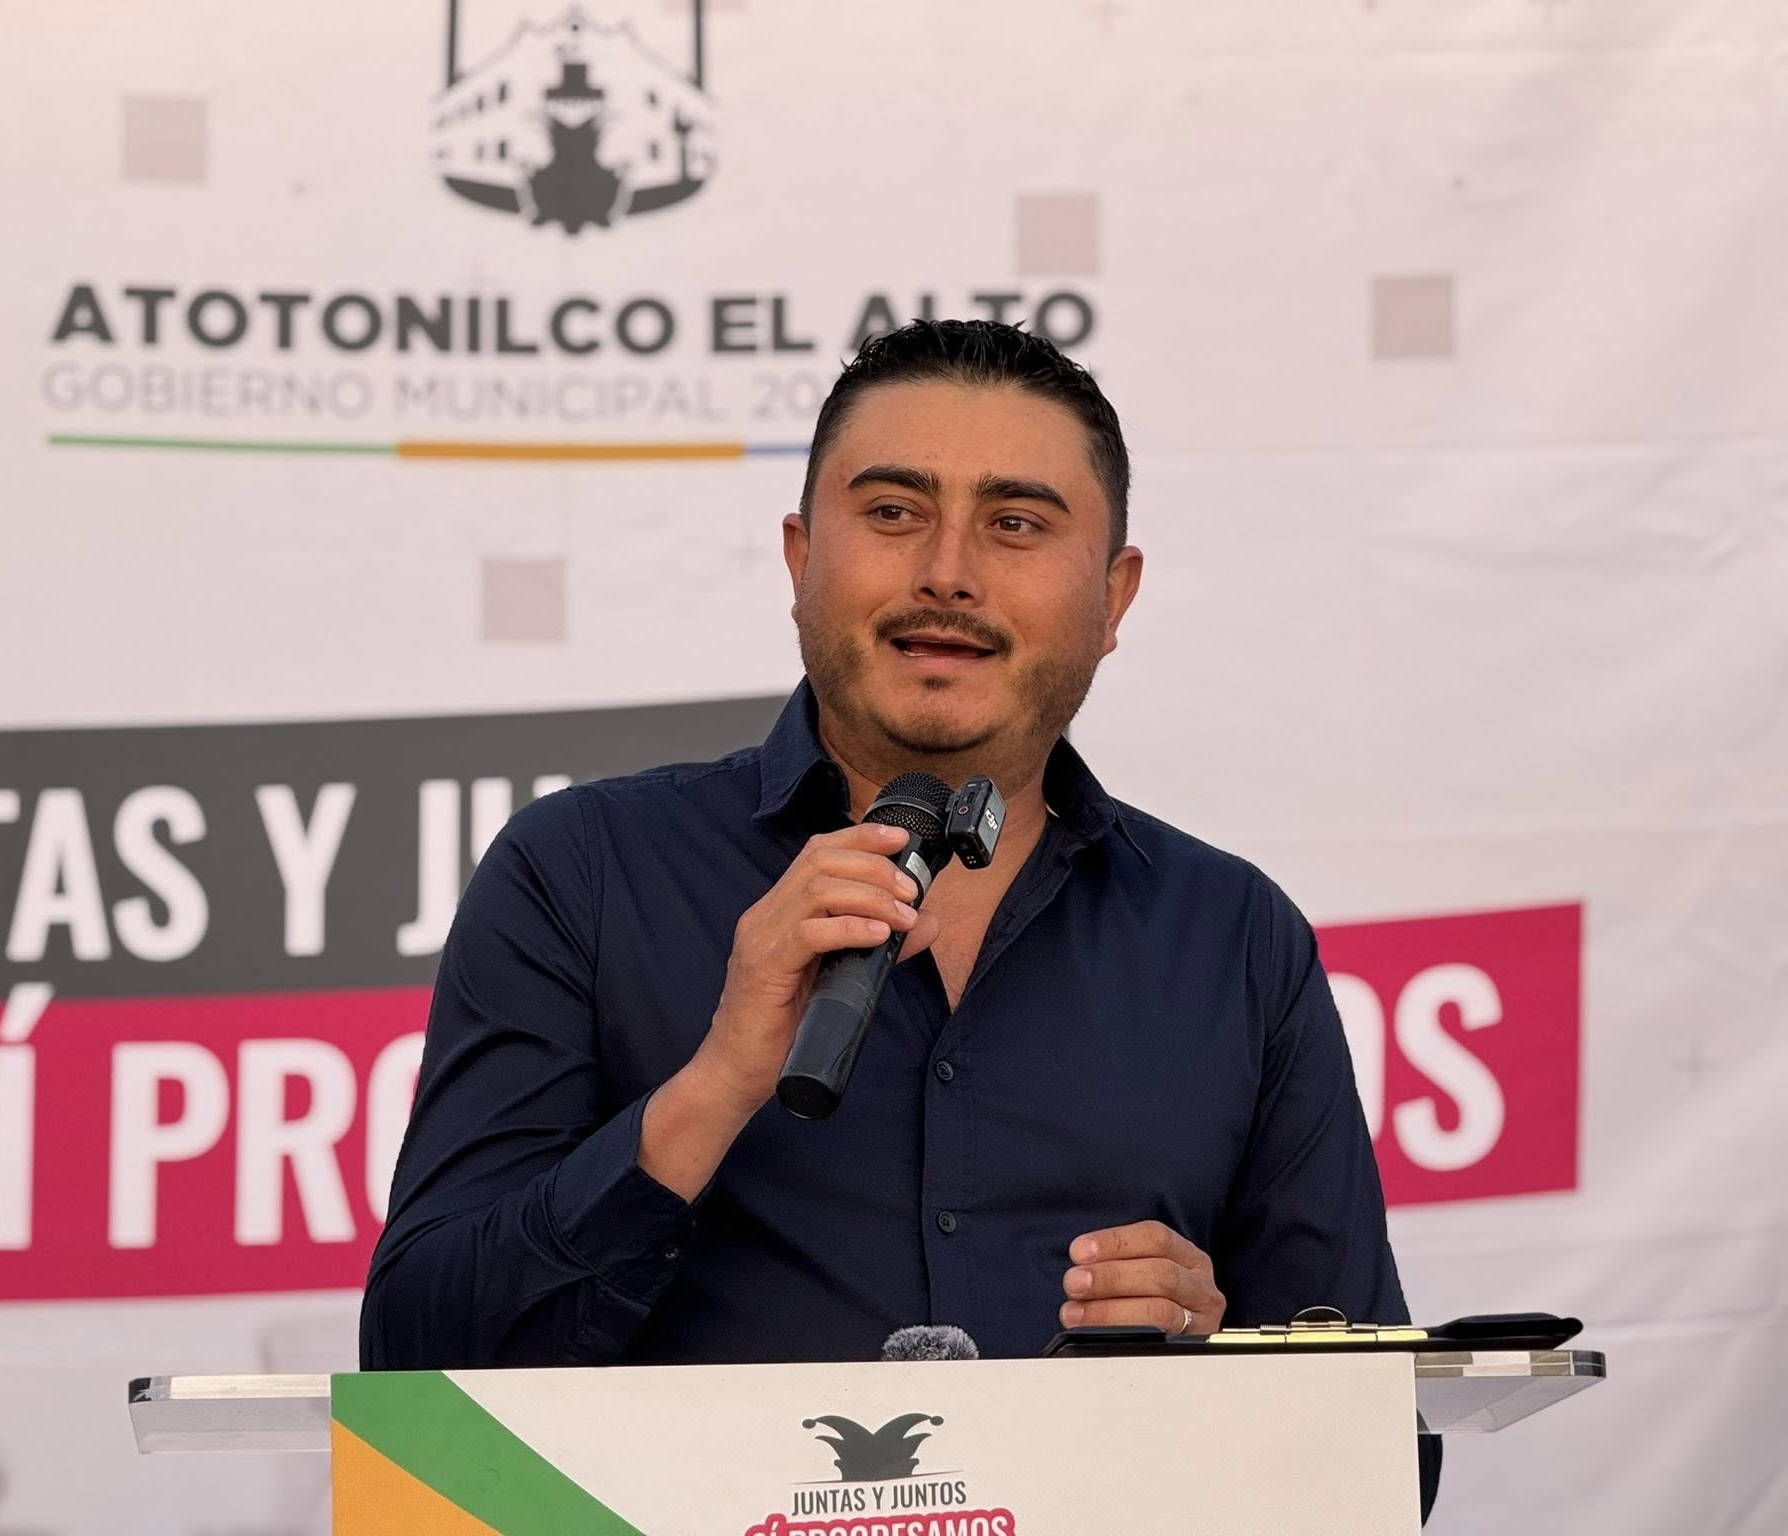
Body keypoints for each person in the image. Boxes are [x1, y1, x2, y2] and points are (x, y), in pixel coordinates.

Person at [362, 318, 1439, 1517]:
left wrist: (1219, 1367)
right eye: (891, 511)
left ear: (1112, 595)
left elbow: (1392, 1462)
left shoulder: (1231, 938)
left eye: (1016, 524)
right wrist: (715, 1082)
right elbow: (411, 1384)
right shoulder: (582, 874)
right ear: (797, 558)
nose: (947, 573)